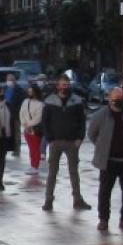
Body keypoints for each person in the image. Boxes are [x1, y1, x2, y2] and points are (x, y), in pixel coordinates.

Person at [87, 84, 123, 232]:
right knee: (105, 191)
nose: (118, 100)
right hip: (108, 161)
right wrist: (102, 146)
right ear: (109, 99)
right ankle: (103, 219)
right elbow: (91, 133)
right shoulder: (101, 115)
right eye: (116, 98)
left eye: (121, 97)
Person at [39, 76, 89, 212]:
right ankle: (48, 200)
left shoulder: (76, 101)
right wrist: (49, 139)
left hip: (72, 142)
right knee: (52, 172)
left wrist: (80, 138)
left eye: (66, 84)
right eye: (62, 84)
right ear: (57, 86)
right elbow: (45, 122)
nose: (64, 87)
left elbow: (82, 121)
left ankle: (77, 200)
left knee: (74, 172)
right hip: (55, 141)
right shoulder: (50, 101)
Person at [19, 81, 46, 171]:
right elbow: (21, 113)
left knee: (35, 148)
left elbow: (38, 118)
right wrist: (24, 124)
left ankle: (35, 166)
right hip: (27, 128)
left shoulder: (40, 104)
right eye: (29, 91)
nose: (29, 93)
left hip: (35, 129)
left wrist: (28, 125)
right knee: (31, 148)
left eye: (31, 92)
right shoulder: (25, 101)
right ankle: (32, 165)